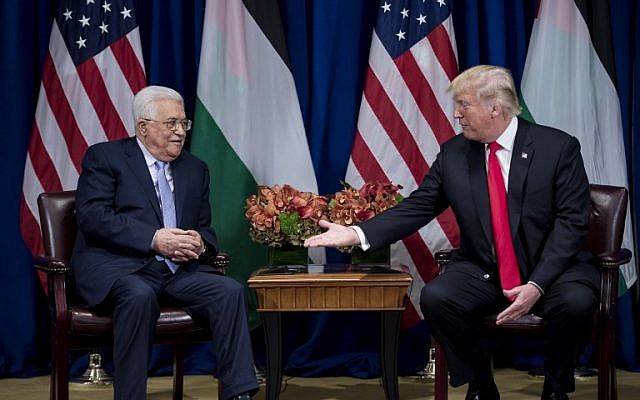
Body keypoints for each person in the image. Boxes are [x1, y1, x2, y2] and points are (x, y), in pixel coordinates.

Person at [304, 65, 599, 400]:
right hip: (484, 269)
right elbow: (419, 206)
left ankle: (556, 387)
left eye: (464, 104)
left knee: (577, 302)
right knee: (437, 298)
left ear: (494, 108)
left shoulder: (557, 148)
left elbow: (572, 223)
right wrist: (357, 234)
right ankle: (480, 385)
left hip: (552, 270)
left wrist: (537, 284)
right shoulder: (454, 153)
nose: (457, 114)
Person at [71, 85, 258, 400]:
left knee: (229, 291)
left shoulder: (195, 168)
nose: (180, 131)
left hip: (177, 271)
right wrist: (153, 239)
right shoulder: (106, 157)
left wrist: (200, 244)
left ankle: (238, 394)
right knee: (139, 295)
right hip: (122, 269)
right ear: (143, 127)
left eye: (183, 123)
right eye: (171, 123)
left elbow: (204, 228)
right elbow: (93, 217)